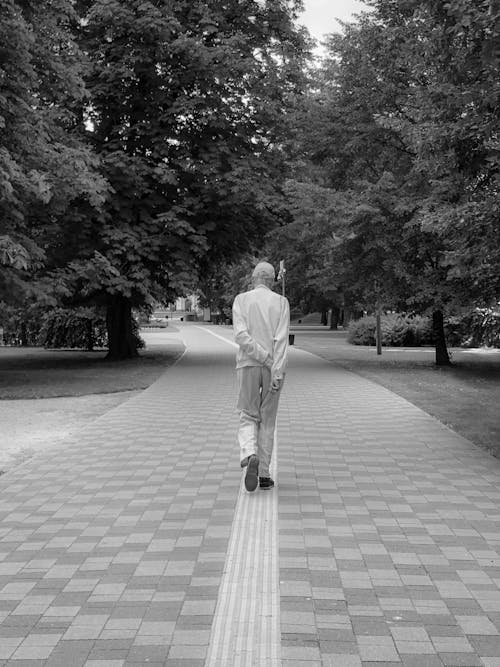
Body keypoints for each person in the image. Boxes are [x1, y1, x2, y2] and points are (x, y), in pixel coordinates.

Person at [232, 261, 290, 492]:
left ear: (254, 278)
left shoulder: (241, 300)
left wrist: (261, 357)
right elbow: (282, 340)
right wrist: (276, 369)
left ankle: (250, 452)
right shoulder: (281, 302)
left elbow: (241, 336)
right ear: (273, 279)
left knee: (247, 414)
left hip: (247, 364)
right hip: (272, 368)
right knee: (268, 419)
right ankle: (264, 475)